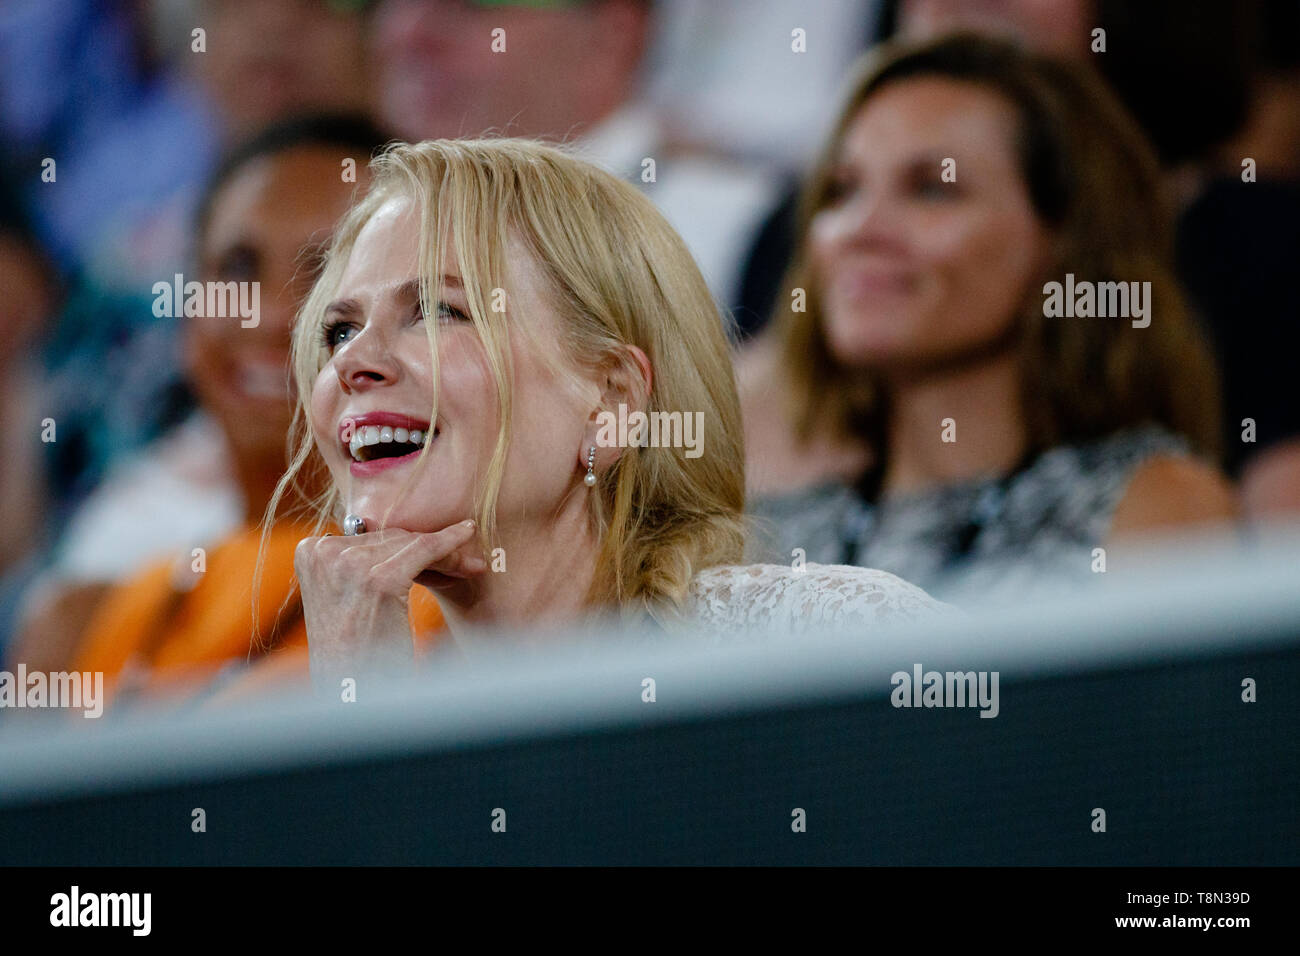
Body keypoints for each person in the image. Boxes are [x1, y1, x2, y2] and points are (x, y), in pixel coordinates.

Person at [281, 138, 951, 689]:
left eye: (439, 311)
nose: (352, 363)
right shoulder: (372, 693)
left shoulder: (826, 645)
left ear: (611, 402)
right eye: (339, 330)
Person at [740, 34, 1237, 607]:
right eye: (842, 190)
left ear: (1066, 243)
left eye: (931, 189)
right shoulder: (766, 539)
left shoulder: (1150, 502)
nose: (859, 230)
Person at [6, 114, 445, 713]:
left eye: (326, 273)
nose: (269, 316)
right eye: (238, 269)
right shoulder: (84, 624)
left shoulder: (463, 601)